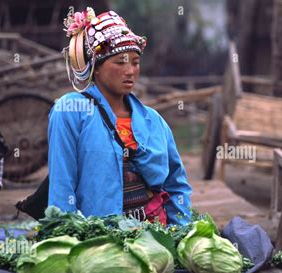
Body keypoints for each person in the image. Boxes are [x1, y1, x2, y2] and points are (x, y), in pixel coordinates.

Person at [48, 8, 192, 226]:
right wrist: (65, 239)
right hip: (99, 241)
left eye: (135, 62)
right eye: (120, 62)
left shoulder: (154, 121)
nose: (130, 71)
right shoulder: (71, 111)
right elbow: (62, 187)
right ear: (95, 67)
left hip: (155, 239)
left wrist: (180, 234)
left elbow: (176, 184)